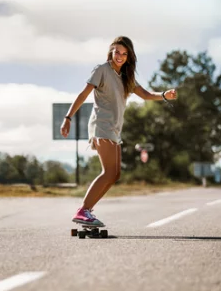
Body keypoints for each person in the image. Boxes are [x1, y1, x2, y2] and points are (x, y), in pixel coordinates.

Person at [60, 36, 177, 227]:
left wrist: (164, 95)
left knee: (114, 174)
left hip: (114, 129)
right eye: (117, 52)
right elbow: (83, 94)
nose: (120, 56)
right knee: (108, 172)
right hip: (101, 125)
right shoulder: (102, 70)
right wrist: (67, 117)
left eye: (124, 53)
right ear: (111, 51)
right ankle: (83, 210)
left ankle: (87, 210)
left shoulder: (126, 77)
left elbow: (145, 95)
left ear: (129, 56)